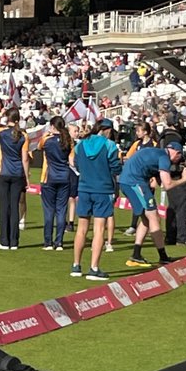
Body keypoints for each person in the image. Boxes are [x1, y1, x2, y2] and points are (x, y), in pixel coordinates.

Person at [119, 140, 186, 267]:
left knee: (146, 219)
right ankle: (163, 256)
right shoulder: (164, 157)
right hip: (134, 182)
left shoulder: (156, 152)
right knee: (154, 217)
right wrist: (184, 179)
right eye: (179, 157)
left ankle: (136, 255)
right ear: (177, 153)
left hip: (128, 181)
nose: (177, 161)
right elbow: (167, 185)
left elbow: (156, 181)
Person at [71, 118, 121, 280]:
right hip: (103, 189)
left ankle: (76, 265)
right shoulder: (109, 146)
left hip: (84, 188)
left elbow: (77, 164)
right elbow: (115, 167)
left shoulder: (81, 144)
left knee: (81, 229)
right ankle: (94, 267)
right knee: (99, 229)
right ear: (107, 130)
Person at [0, 109, 31, 250]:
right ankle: (14, 241)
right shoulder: (23, 136)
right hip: (17, 174)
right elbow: (25, 158)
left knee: (4, 207)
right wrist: (27, 177)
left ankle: (4, 241)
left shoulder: (2, 133)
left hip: (3, 173)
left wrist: (0, 114)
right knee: (14, 207)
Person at [40, 116, 72, 251]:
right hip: (64, 176)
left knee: (49, 210)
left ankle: (48, 242)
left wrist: (47, 134)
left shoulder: (47, 141)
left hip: (49, 177)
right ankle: (59, 242)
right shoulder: (68, 141)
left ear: (52, 126)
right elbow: (72, 158)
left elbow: (38, 146)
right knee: (61, 210)